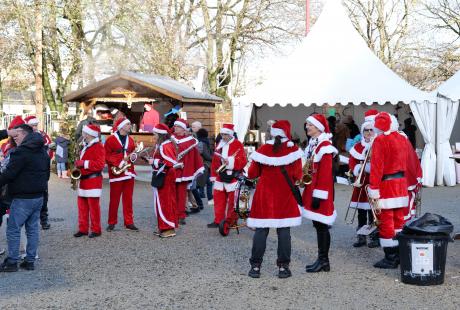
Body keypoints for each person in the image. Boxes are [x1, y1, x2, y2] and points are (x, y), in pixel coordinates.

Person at [246, 120, 303, 279]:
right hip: (285, 194)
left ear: (273, 132)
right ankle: (283, 268)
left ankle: (255, 267)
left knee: (261, 230)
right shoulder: (293, 150)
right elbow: (298, 175)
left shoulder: (263, 149)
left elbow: (252, 174)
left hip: (264, 194)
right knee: (284, 231)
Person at [0, 124, 49, 272]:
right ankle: (29, 261)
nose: (15, 140)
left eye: (17, 136)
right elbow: (46, 175)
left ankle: (12, 262)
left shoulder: (22, 152)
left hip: (22, 198)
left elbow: (9, 174)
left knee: (13, 229)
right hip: (38, 196)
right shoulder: (42, 150)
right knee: (32, 229)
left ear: (24, 133)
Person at [367, 112, 409, 269]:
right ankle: (399, 255)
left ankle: (390, 258)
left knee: (386, 221)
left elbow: (377, 168)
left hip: (387, 186)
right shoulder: (402, 138)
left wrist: (373, 189)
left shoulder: (380, 140)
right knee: (399, 219)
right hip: (401, 183)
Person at [302, 114, 338, 273]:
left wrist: (319, 195)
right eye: (307, 124)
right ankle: (322, 260)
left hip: (320, 191)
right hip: (313, 189)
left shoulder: (325, 146)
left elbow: (325, 174)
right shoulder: (314, 144)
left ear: (318, 128)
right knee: (318, 225)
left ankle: (324, 261)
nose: (307, 127)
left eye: (310, 124)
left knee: (322, 226)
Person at [208, 124, 247, 228]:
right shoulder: (219, 144)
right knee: (218, 200)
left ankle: (231, 221)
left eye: (225, 135)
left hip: (232, 177)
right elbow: (214, 162)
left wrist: (229, 161)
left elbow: (243, 161)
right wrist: (213, 175)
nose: (223, 137)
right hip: (220, 177)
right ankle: (218, 221)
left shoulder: (238, 144)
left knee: (232, 202)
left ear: (230, 134)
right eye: (222, 134)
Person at [104, 117, 139, 231]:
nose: (130, 126)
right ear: (122, 126)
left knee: (128, 199)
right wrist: (118, 163)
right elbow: (106, 155)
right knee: (114, 199)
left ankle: (129, 222)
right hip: (116, 172)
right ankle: (111, 222)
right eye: (128, 124)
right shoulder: (110, 139)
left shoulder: (131, 139)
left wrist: (133, 157)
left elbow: (132, 156)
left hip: (129, 172)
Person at [149, 123, 183, 238]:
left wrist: (153, 162)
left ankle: (168, 228)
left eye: (155, 134)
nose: (153, 136)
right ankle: (163, 227)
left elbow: (171, 162)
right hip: (163, 175)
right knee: (162, 202)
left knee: (166, 202)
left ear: (160, 134)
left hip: (166, 176)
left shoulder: (165, 145)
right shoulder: (163, 144)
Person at [73, 124, 105, 238]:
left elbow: (100, 164)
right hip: (83, 180)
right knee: (82, 206)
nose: (82, 134)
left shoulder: (98, 146)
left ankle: (96, 229)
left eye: (84, 132)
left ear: (89, 134)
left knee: (94, 207)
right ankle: (83, 229)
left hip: (93, 180)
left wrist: (84, 163)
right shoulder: (85, 145)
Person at [348, 119, 375, 247]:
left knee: (374, 212)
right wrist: (357, 169)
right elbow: (352, 162)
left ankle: (374, 236)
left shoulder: (378, 144)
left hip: (374, 182)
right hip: (361, 181)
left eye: (371, 130)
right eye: (366, 130)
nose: (369, 132)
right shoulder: (357, 147)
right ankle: (361, 236)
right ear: (362, 132)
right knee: (361, 212)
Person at [171, 119, 204, 225]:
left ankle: (181, 215)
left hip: (184, 171)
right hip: (172, 170)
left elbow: (195, 157)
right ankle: (171, 214)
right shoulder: (170, 139)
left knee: (182, 195)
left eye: (178, 126)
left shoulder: (190, 141)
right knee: (171, 194)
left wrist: (195, 169)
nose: (175, 127)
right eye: (175, 126)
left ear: (183, 129)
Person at [24, 116, 52, 230]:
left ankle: (43, 220)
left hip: (42, 170)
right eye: (33, 125)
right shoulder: (25, 135)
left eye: (36, 125)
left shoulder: (43, 135)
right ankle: (28, 220)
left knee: (43, 197)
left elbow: (49, 149)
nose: (35, 127)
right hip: (29, 171)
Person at [196, 128, 213, 204]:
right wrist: (212, 158)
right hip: (208, 164)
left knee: (202, 181)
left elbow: (203, 154)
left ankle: (201, 196)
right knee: (207, 182)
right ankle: (209, 198)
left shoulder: (200, 143)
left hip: (203, 164)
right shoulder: (207, 142)